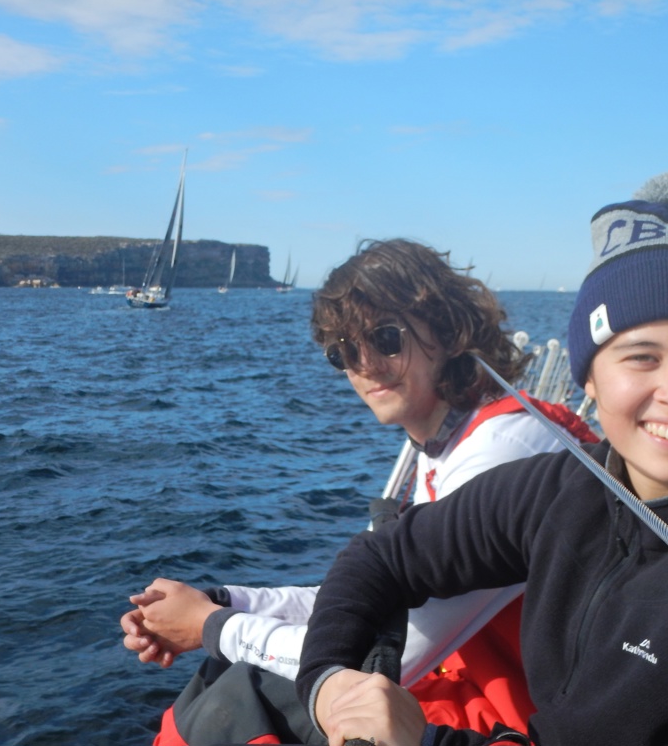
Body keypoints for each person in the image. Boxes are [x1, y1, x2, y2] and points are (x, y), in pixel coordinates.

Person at [295, 172, 668, 746]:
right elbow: (381, 558)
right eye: (641, 358)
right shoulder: (560, 490)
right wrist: (328, 682)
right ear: (592, 381)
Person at [120, 238, 598, 745]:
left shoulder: (503, 449)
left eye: (387, 339)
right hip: (473, 683)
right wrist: (221, 602)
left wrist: (212, 626)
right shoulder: (444, 447)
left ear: (449, 330)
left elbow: (386, 656)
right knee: (224, 680)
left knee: (240, 694)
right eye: (345, 352)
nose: (365, 364)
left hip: (524, 716)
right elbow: (355, 604)